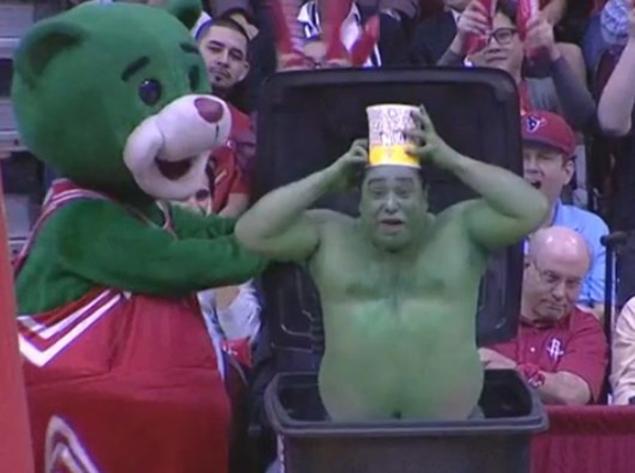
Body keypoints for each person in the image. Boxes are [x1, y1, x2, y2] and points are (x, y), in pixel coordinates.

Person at [236, 104, 548, 420]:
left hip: (454, 433)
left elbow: (533, 209)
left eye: (403, 191)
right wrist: (327, 178)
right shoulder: (328, 234)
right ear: (358, 199)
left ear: (426, 195)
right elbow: (251, 234)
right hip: (347, 437)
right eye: (377, 191)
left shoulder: (461, 229)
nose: (390, 204)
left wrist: (452, 159)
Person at [481, 227, 608, 405]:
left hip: (558, 431)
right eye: (551, 278)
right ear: (525, 267)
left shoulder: (586, 328)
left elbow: (571, 394)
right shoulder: (482, 314)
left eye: (572, 283)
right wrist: (545, 383)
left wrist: (509, 371)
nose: (560, 293)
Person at [437, 0, 595, 131]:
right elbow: (429, 103)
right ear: (469, 52)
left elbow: (583, 117)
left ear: (522, 41)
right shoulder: (462, 95)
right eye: (483, 37)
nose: (493, 46)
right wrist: (458, 43)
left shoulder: (544, 92)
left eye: (503, 35)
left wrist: (551, 51)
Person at [521, 111, 608, 319]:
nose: (530, 167)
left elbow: (603, 312)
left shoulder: (592, 229)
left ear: (567, 172)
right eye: (522, 156)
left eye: (543, 157)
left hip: (575, 345)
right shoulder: (487, 226)